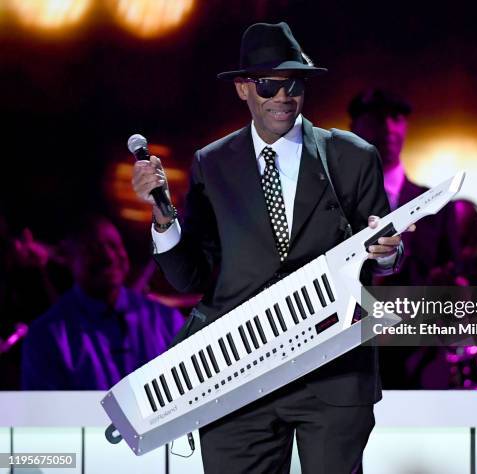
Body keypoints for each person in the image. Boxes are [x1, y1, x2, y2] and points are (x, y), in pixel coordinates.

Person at [132, 22, 403, 474]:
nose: (283, 96)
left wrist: (388, 252)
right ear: (243, 89)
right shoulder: (212, 164)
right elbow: (193, 277)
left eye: (293, 83)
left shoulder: (352, 156)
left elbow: (382, 251)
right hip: (237, 372)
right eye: (268, 84)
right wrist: (163, 215)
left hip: (332, 371)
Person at [21, 216, 184, 390]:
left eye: (114, 245)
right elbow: (46, 413)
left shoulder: (167, 320)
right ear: (69, 259)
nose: (108, 256)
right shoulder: (47, 337)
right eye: (93, 249)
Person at [349, 88, 459, 286]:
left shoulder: (438, 205)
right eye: (376, 118)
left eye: (396, 118)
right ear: (353, 128)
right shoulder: (329, 199)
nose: (388, 127)